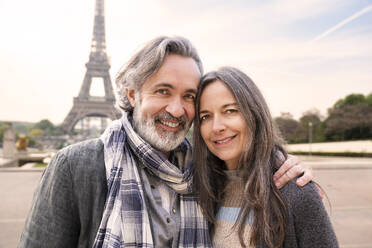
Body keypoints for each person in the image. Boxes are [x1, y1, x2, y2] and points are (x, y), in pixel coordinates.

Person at [18, 37, 313, 248]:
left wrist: (277, 162)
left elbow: (247, 164)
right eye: (163, 91)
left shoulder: (206, 169)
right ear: (132, 94)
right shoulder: (74, 167)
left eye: (189, 96)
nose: (176, 109)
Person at [193, 66, 338, 248]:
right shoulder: (200, 190)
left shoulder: (293, 190)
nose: (216, 127)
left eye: (230, 111)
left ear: (254, 114)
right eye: (205, 116)